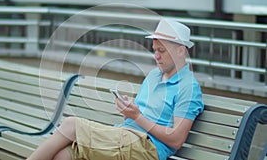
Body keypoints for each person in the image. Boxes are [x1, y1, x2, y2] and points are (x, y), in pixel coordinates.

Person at [27, 18, 204, 160]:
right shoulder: (154, 75)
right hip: (124, 136)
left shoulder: (188, 88)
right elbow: (140, 116)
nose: (156, 56)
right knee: (63, 156)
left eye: (162, 51)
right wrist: (129, 111)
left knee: (70, 124)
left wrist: (137, 117)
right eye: (154, 50)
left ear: (181, 51)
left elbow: (176, 140)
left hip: (147, 148)